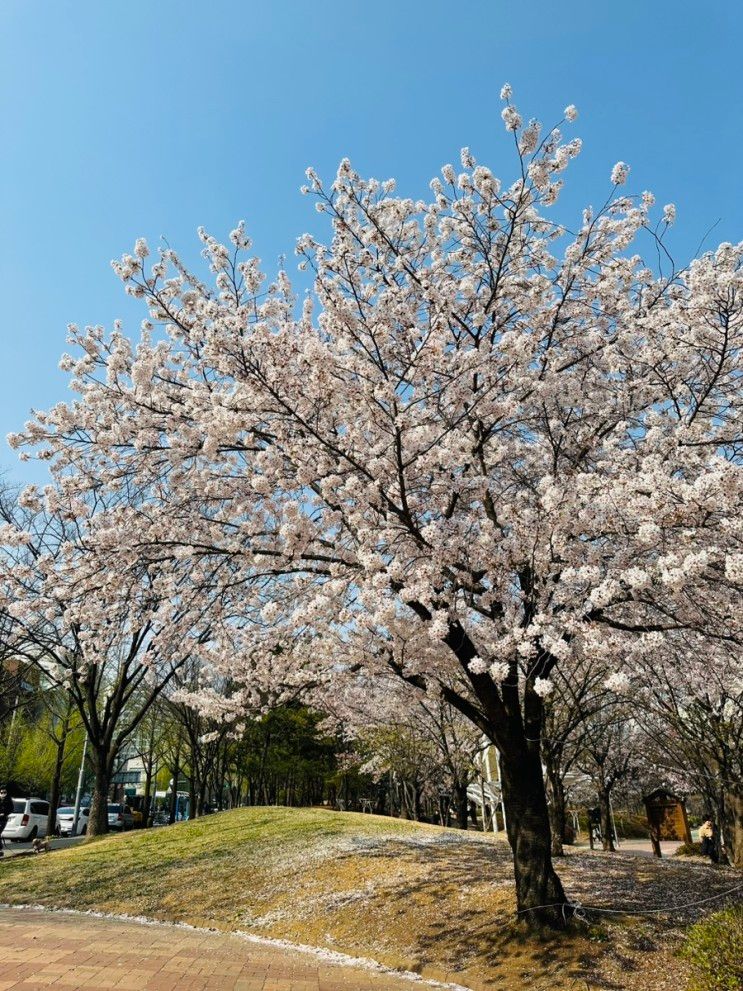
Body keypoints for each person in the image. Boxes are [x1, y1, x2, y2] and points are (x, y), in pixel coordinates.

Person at [0, 785, 13, 857]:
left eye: (4, 792)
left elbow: (11, 809)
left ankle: (0, 849)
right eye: (2, 792)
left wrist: (4, 813)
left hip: (3, 819)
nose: (3, 793)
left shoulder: (8, 800)